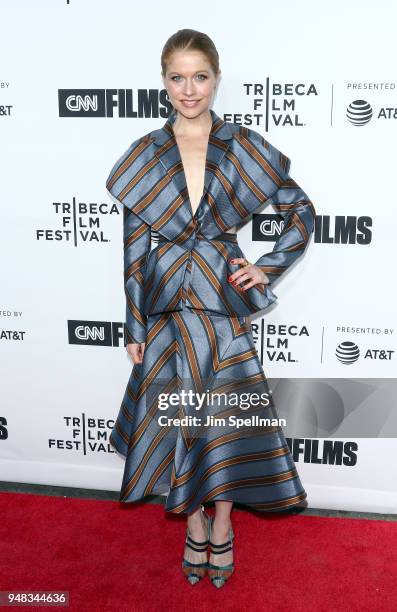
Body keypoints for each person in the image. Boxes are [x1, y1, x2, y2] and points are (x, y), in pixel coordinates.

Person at [106, 28, 316, 589]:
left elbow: (301, 213)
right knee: (180, 420)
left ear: (217, 79)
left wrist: (266, 266)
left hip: (222, 309)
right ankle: (192, 522)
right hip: (170, 306)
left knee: (221, 421)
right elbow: (133, 250)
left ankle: (222, 522)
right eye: (178, 77)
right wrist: (134, 324)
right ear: (164, 82)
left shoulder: (242, 145)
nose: (189, 88)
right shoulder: (145, 154)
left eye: (200, 76)